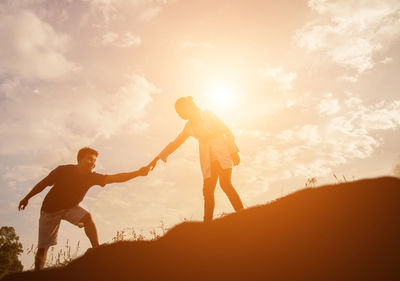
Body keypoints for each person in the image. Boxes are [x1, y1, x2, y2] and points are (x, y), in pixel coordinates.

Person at [18, 147, 150, 270]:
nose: (92, 163)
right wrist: (27, 198)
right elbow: (43, 184)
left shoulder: (91, 177)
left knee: (87, 218)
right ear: (79, 159)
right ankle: (37, 274)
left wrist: (138, 173)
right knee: (43, 248)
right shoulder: (62, 170)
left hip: (70, 208)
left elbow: (115, 178)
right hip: (50, 210)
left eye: (94, 161)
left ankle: (96, 248)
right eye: (89, 159)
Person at [148, 96, 244, 222]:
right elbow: (175, 142)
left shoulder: (209, 114)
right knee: (207, 191)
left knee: (225, 184)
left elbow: (226, 131)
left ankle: (243, 214)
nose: (180, 115)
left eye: (180, 112)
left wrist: (233, 151)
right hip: (208, 160)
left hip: (222, 154)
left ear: (188, 108)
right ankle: (207, 225)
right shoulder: (188, 127)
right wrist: (158, 157)